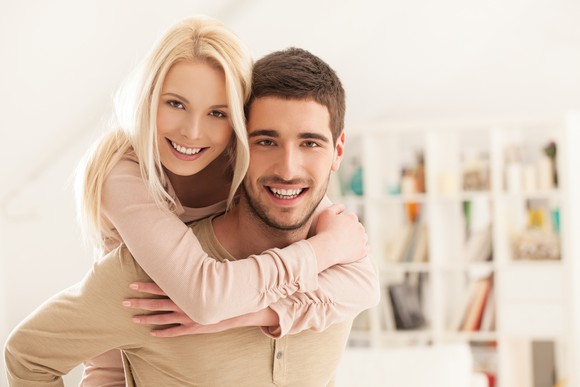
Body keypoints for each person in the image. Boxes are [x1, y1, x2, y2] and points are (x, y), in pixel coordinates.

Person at [5, 15, 378, 385]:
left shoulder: (264, 176)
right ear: (149, 100)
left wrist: (253, 312)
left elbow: (365, 286)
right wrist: (323, 251)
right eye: (175, 104)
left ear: (236, 128)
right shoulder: (123, 174)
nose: (193, 131)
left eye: (218, 113)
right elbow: (203, 299)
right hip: (128, 330)